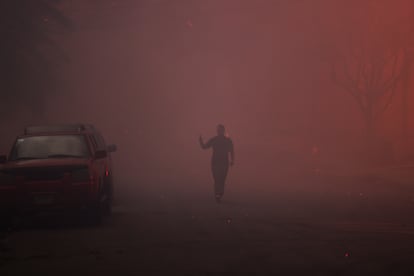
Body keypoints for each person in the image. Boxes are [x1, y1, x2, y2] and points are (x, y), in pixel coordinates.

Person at [199, 124, 234, 203]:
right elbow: (204, 147)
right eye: (219, 130)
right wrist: (200, 141)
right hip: (217, 162)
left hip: (222, 162)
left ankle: (219, 194)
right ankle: (218, 194)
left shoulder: (224, 140)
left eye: (220, 130)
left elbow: (231, 150)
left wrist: (232, 160)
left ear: (222, 131)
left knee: (220, 179)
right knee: (218, 179)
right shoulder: (223, 140)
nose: (219, 132)